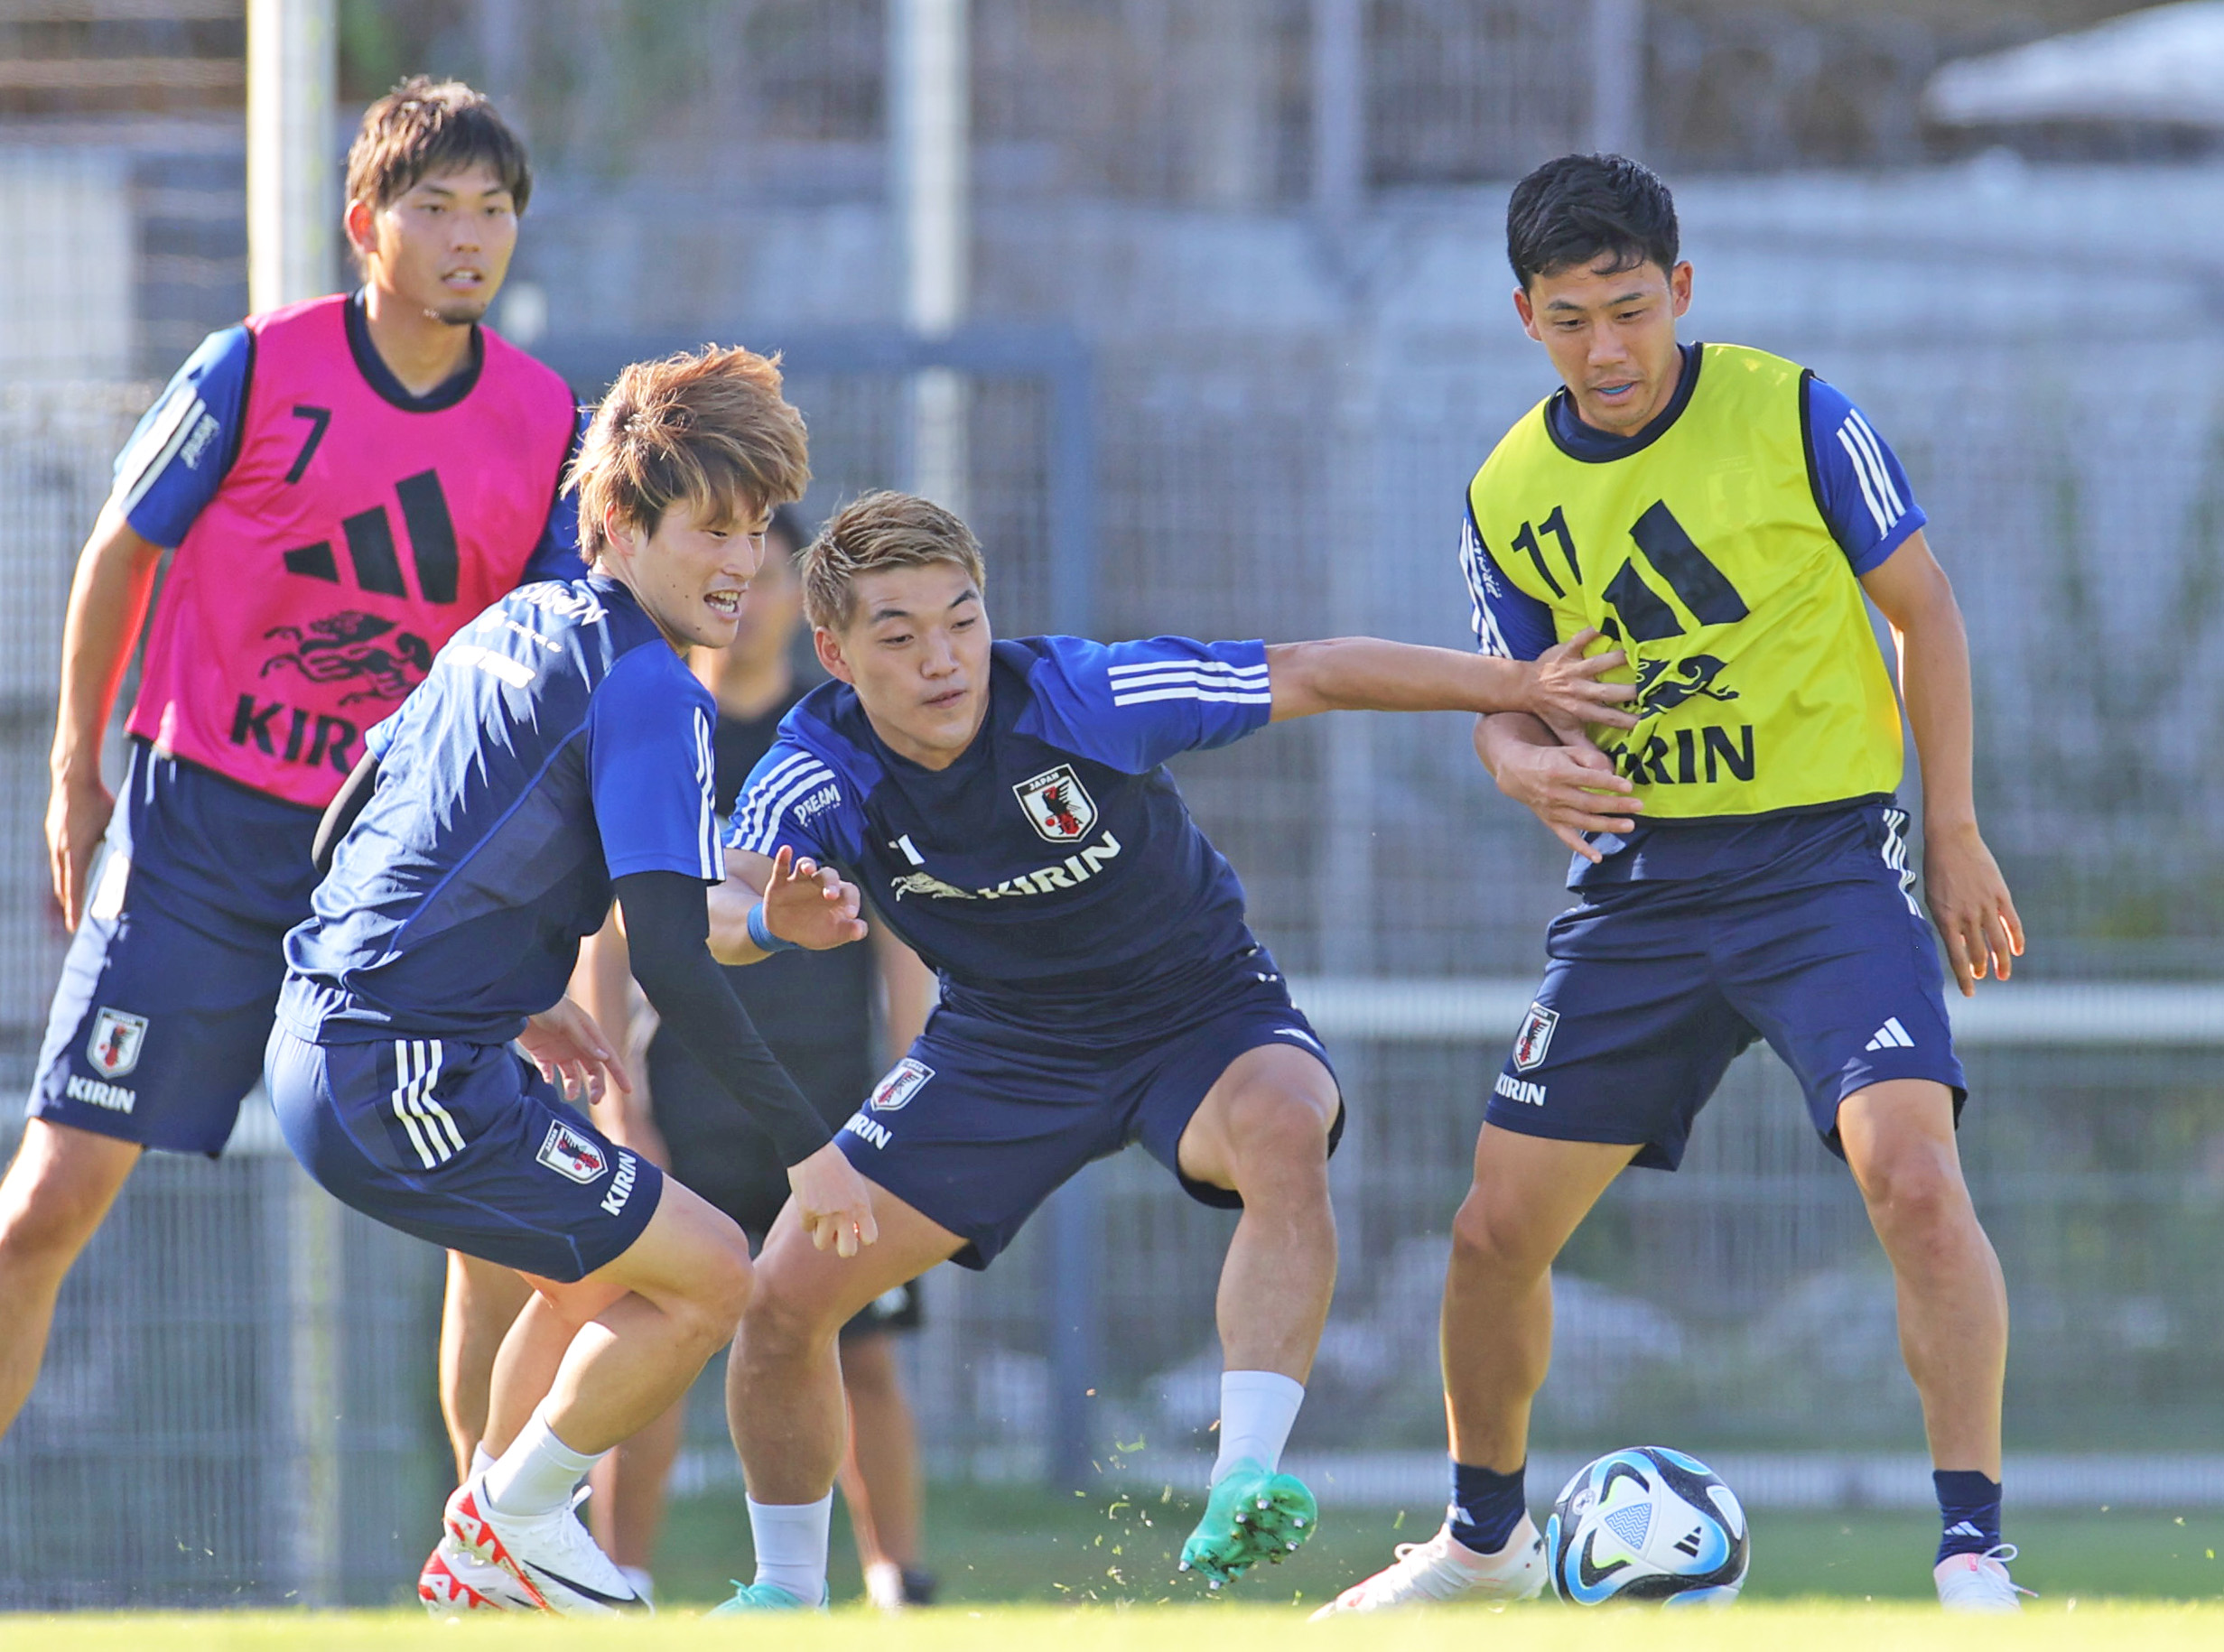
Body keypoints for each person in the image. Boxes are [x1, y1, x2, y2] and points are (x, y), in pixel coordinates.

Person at [701, 488, 1637, 1611]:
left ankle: (1244, 1475)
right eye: (898, 637)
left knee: (1288, 1127)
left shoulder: (1085, 695)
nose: (943, 659)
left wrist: (1518, 684)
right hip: (1003, 1046)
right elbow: (720, 901)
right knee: (780, 1300)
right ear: (838, 655)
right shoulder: (816, 764)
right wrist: (765, 922)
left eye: (961, 621)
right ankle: (787, 1600)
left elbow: (1316, 670)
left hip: (1197, 1010)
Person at [1315, 153, 2027, 1618]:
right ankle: (1480, 1540)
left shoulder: (1795, 414)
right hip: (1639, 890)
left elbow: (1927, 616)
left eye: (1629, 310)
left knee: (1908, 1172)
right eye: (1569, 318)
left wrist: (1947, 830)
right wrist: (1511, 762)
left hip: (1823, 867)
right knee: (1489, 1233)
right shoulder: (1506, 492)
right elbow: (1507, 700)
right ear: (1524, 316)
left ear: (1680, 292)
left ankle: (1971, 1548)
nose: (1606, 349)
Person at [0, 77, 587, 1444]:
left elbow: (542, 676)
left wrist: (529, 938)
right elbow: (119, 551)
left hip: (387, 871)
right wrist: (76, 770)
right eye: (433, 206)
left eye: (494, 210)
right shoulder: (254, 365)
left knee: (491, 1221)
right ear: (360, 225)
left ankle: (482, 1553)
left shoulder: (548, 420)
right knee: (44, 1208)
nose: (469, 237)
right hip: (196, 844)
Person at [270, 344, 881, 1617]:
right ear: (615, 520)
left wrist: (518, 973)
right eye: (709, 528)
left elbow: (346, 826)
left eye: (757, 530)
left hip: (341, 1040)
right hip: (406, 1067)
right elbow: (660, 948)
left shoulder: (513, 623)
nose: (741, 562)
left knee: (597, 1282)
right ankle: (506, 1518)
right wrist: (806, 1148)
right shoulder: (652, 688)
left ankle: (491, 1558)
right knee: (715, 1269)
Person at [464, 507, 943, 1609]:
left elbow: (898, 928)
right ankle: (610, 1564)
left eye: (769, 574)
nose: (748, 592)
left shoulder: (838, 739)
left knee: (851, 1344)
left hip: (826, 1097)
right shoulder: (659, 722)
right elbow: (614, 926)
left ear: (801, 601)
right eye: (729, 567)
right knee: (664, 1329)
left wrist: (911, 1072)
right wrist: (619, 1102)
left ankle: (897, 1585)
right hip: (686, 1093)